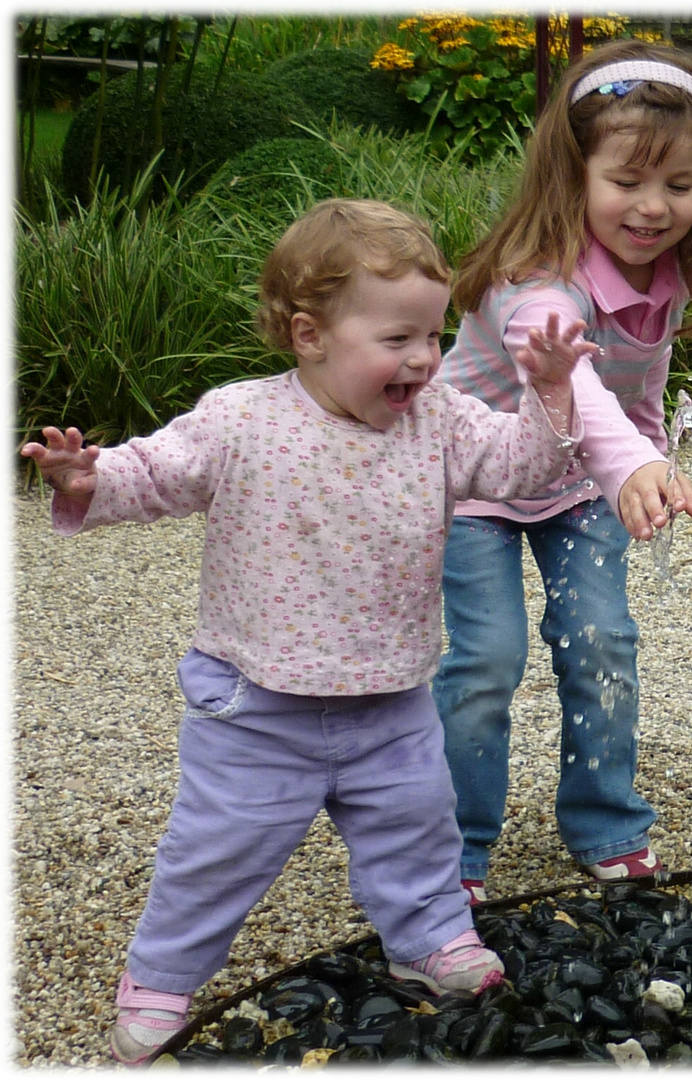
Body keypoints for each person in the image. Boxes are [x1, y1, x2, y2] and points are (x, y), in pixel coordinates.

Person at [20, 198, 591, 1064]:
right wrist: (83, 480)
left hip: (392, 698)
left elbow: (518, 468)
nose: (423, 360)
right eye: (397, 340)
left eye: (433, 337)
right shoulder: (242, 419)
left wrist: (548, 394)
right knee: (217, 850)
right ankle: (163, 977)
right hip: (257, 705)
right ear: (308, 335)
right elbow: (156, 473)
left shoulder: (440, 419)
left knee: (418, 827)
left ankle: (430, 936)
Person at [431, 39, 692, 904]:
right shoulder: (533, 283)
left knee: (603, 641)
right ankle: (451, 846)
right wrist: (631, 463)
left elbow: (636, 391)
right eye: (626, 182)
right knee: (485, 659)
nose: (652, 208)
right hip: (474, 486)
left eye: (678, 186)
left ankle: (606, 819)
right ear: (571, 177)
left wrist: (646, 468)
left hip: (577, 485)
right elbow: (573, 381)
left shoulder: (666, 275)